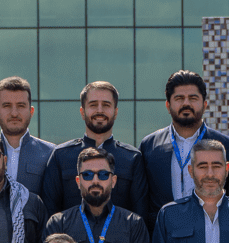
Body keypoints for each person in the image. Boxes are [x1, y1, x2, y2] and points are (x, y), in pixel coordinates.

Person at [140, 70, 229, 227]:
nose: (186, 103)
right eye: (179, 98)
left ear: (204, 105)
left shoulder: (226, 146)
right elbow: (142, 202)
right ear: (168, 105)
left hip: (212, 232)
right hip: (164, 234)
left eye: (193, 98)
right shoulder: (150, 146)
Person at [40, 80, 150, 220]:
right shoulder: (60, 156)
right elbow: (49, 213)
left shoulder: (132, 159)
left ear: (115, 112)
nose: (99, 110)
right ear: (82, 112)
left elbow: (140, 216)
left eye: (106, 105)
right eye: (93, 105)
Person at [0, 75, 55, 202]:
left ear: (31, 111)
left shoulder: (51, 154)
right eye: (7, 106)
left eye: (21, 106)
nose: (14, 113)